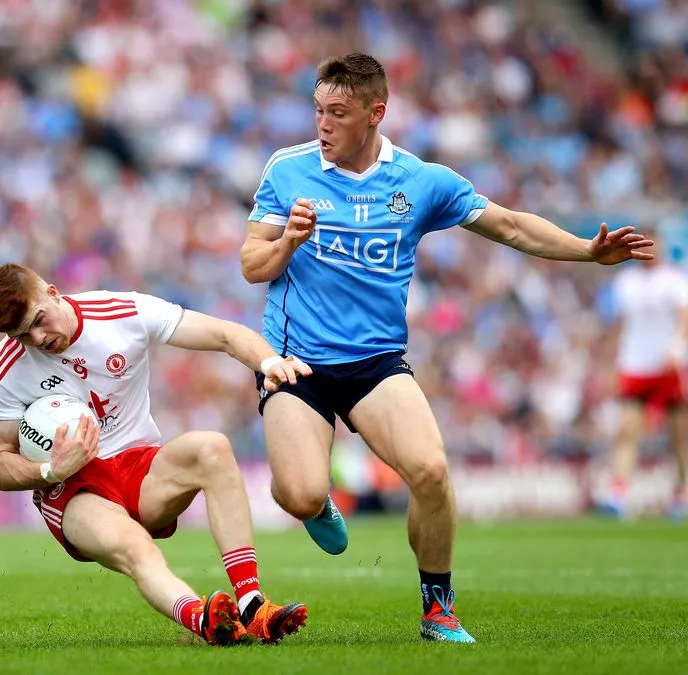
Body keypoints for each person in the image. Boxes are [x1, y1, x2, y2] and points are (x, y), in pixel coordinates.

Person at [240, 53, 653, 644]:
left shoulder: (421, 181)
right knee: (300, 492)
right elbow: (252, 266)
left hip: (376, 363)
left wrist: (587, 251)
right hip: (295, 359)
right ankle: (315, 508)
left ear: (375, 113)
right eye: (318, 110)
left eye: (337, 113)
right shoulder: (287, 170)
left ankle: (438, 610)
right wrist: (288, 241)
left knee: (431, 471)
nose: (322, 124)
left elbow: (509, 225)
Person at [0, 262, 312, 646]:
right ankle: (202, 617)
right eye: (23, 335)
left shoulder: (120, 313)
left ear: (53, 293)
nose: (38, 338)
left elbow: (223, 334)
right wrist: (50, 470)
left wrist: (270, 363)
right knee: (136, 545)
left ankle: (254, 606)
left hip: (140, 469)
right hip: (75, 490)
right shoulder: (2, 369)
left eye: (39, 320)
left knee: (212, 447)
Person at [602, 234, 688, 520]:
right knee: (627, 430)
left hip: (668, 364)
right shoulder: (626, 282)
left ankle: (680, 493)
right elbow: (619, 324)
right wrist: (612, 362)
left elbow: (683, 317)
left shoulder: (673, 280)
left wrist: (677, 348)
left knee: (678, 436)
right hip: (634, 364)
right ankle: (618, 493)